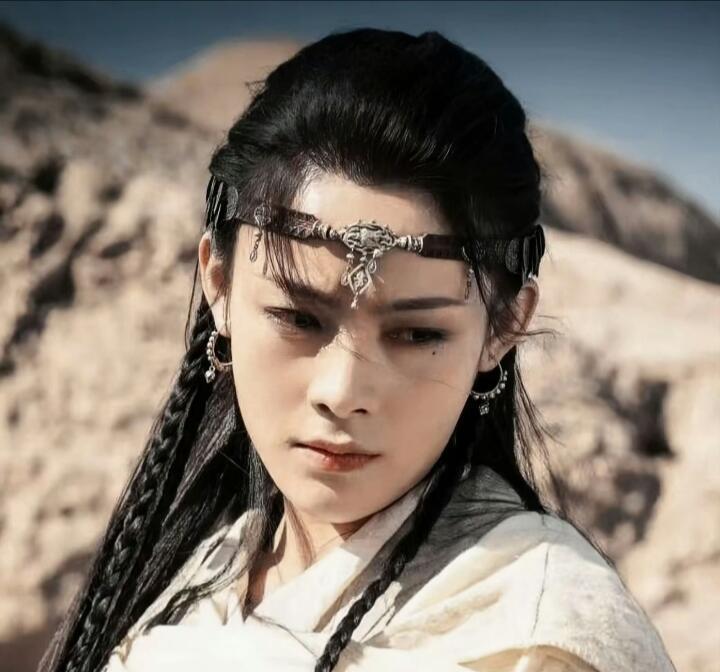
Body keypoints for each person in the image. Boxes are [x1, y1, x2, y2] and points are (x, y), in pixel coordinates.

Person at [38, 28, 676, 672]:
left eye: (417, 334)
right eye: (298, 318)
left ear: (504, 325)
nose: (341, 393)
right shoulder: (186, 581)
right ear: (220, 285)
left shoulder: (538, 641)